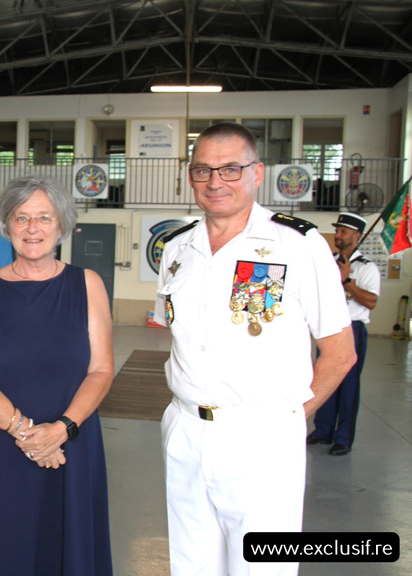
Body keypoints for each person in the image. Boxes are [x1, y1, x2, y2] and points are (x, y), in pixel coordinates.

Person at [154, 122, 357, 575]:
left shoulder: (299, 245)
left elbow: (340, 353)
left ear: (258, 173)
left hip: (262, 436)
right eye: (203, 170)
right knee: (192, 564)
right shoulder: (176, 249)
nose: (215, 182)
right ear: (191, 176)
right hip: (186, 430)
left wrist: (284, 419)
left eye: (231, 169)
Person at [0, 176, 114, 576]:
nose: (32, 228)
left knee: (64, 552)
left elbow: (101, 369)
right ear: (7, 226)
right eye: (21, 218)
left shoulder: (87, 284)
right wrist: (30, 435)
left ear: (62, 226)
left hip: (70, 445)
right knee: (0, 551)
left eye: (44, 217)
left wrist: (62, 429)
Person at [307, 212, 380, 456]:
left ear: (356, 236)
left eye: (343, 232)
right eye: (337, 231)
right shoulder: (328, 263)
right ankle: (322, 431)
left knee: (348, 385)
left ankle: (343, 437)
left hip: (353, 328)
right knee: (324, 377)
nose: (337, 235)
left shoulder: (367, 268)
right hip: (328, 327)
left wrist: (347, 280)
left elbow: (371, 302)